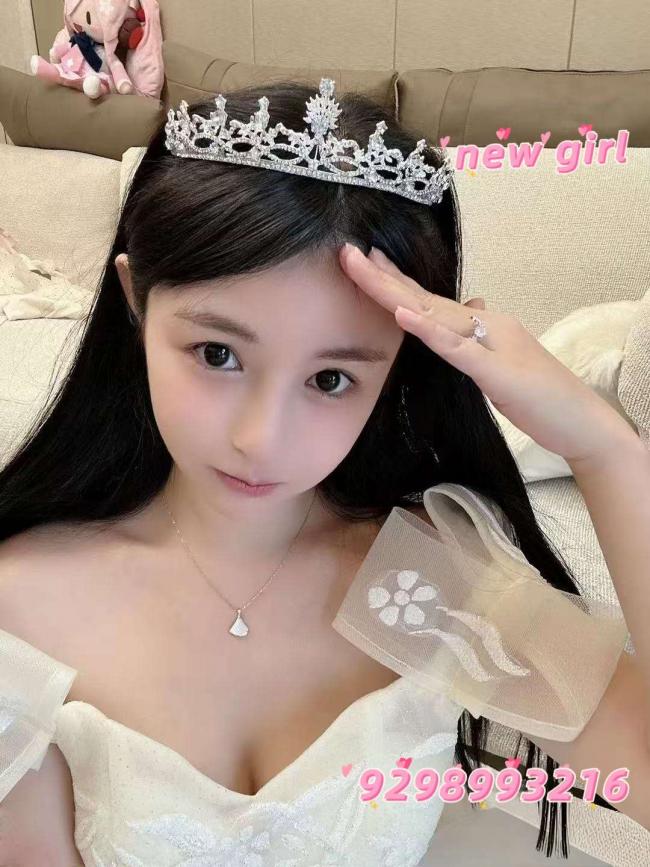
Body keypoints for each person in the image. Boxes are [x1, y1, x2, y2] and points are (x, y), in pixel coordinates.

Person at [0, 77, 648, 866]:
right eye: (217, 353)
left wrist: (604, 447)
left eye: (331, 378)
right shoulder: (22, 605)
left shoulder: (432, 578)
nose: (261, 437)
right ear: (136, 299)